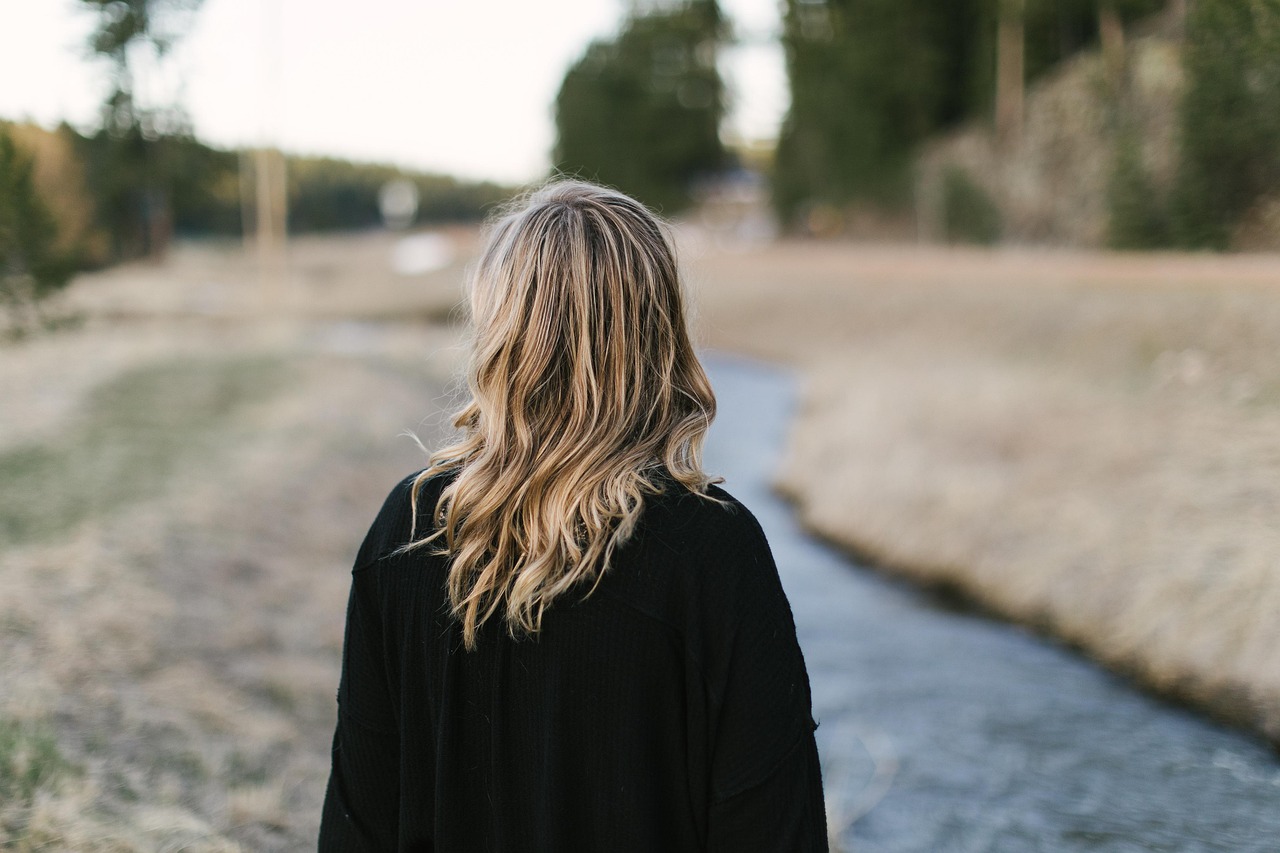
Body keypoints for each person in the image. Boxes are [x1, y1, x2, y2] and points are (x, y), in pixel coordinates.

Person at [319, 180, 828, 851]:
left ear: (499, 330)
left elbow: (358, 823)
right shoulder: (711, 549)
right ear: (658, 335)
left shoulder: (408, 528)